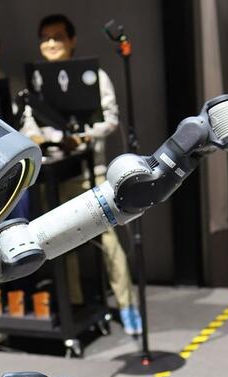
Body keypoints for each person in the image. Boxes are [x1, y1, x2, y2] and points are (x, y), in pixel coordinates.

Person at [21, 13, 142, 335]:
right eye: (46, 38)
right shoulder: (36, 80)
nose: (51, 43)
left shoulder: (96, 76)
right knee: (62, 242)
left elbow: (110, 119)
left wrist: (83, 136)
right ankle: (75, 304)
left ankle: (127, 305)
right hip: (56, 174)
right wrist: (43, 138)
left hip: (92, 173)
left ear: (72, 40)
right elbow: (29, 121)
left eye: (58, 37)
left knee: (108, 241)